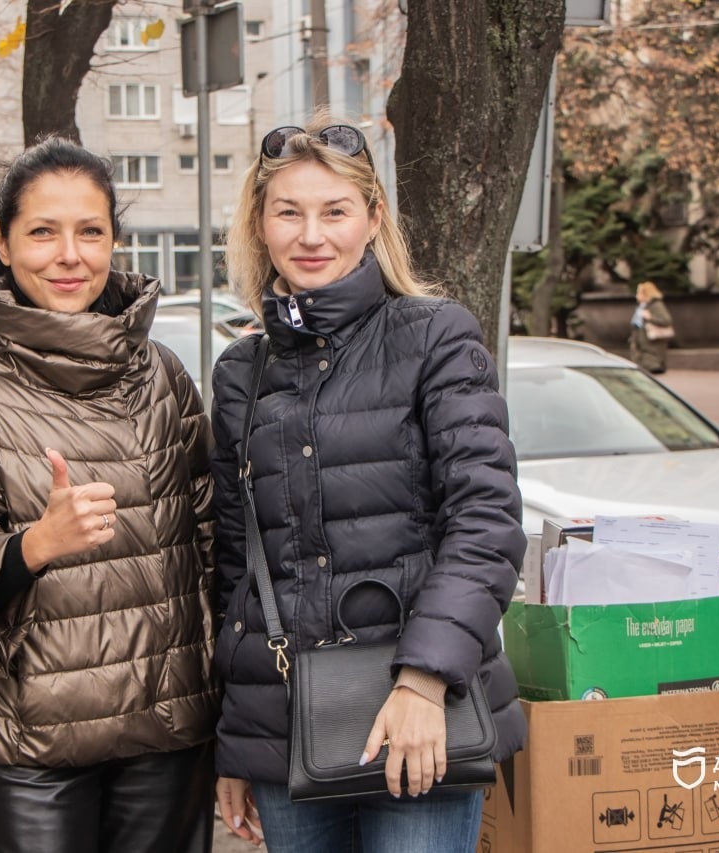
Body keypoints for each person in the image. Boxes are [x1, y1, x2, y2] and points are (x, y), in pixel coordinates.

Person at [0, 138, 219, 853]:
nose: (69, 255)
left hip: (166, 731)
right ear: (4, 242)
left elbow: (212, 540)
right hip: (26, 741)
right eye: (43, 231)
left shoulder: (161, 376)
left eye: (89, 231)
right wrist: (32, 546)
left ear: (113, 242)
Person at [209, 118, 528, 852]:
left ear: (373, 219)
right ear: (261, 225)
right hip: (285, 724)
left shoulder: (433, 336)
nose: (311, 234)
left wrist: (423, 682)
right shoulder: (241, 373)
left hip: (419, 709)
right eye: (288, 211)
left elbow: (485, 521)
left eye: (335, 211)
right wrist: (236, 744)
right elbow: (235, 571)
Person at [628, 281, 673, 374]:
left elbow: (666, 320)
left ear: (645, 294)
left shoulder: (656, 305)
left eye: (638, 293)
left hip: (651, 348)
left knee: (650, 373)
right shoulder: (642, 306)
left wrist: (650, 317)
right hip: (641, 347)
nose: (636, 295)